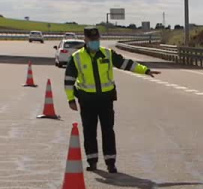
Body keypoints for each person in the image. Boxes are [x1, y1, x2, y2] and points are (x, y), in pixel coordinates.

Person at [64, 27, 160, 173]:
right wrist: (71, 99)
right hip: (87, 101)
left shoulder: (107, 54)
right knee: (89, 132)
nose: (95, 43)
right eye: (92, 40)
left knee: (108, 131)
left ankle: (110, 163)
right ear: (85, 40)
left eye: (97, 40)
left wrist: (145, 70)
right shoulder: (77, 57)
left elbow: (125, 63)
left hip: (105, 100)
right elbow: (69, 79)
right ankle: (92, 161)